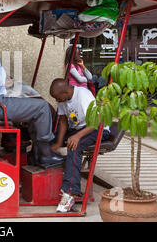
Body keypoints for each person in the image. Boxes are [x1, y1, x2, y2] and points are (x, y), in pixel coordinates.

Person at [0, 34, 65, 168]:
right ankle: (44, 153)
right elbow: (0, 80)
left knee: (35, 108)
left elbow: (1, 79)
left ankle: (37, 153)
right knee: (42, 107)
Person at [49, 78, 110, 213]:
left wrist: (77, 136)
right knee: (49, 139)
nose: (56, 100)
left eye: (57, 98)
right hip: (79, 129)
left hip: (96, 129)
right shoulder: (63, 100)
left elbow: (98, 120)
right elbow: (64, 122)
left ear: (65, 92)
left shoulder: (82, 94)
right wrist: (58, 143)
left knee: (73, 146)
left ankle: (70, 193)